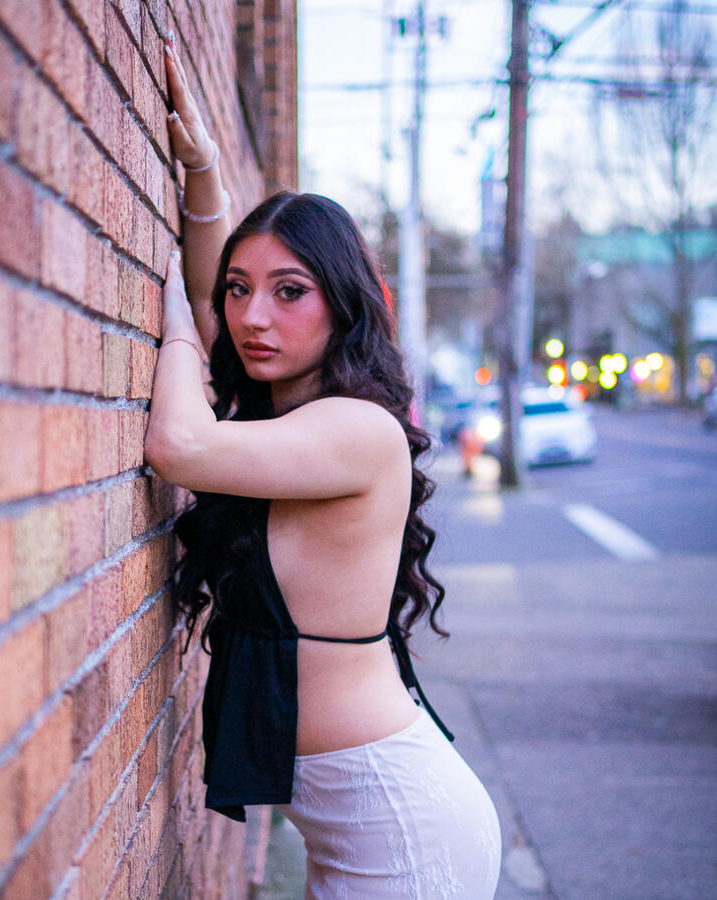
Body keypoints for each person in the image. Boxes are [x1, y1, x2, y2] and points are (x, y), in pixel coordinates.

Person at [145, 32, 502, 899]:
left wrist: (179, 327)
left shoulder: (358, 430)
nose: (252, 316)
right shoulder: (292, 422)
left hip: (399, 819)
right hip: (357, 815)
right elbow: (210, 297)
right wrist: (205, 188)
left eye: (289, 291)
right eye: (241, 288)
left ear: (341, 305)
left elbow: (181, 444)